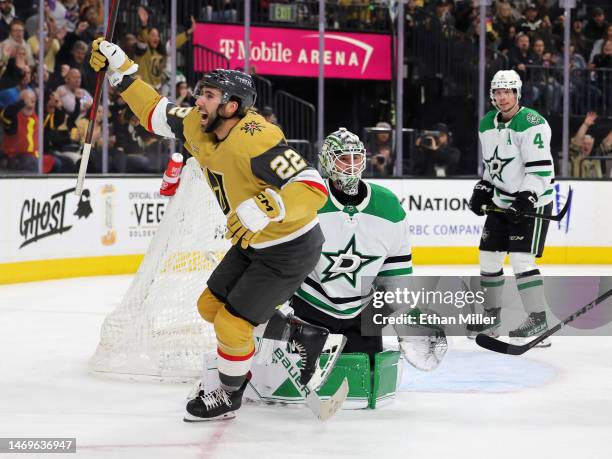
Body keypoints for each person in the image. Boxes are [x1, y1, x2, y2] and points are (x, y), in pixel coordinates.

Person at [89, 38, 340, 422]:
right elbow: (157, 113)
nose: (197, 100)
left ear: (232, 106)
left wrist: (270, 206)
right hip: (253, 242)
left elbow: (312, 186)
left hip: (290, 246)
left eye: (207, 95)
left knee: (231, 323)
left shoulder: (259, 140)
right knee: (209, 307)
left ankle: (228, 395)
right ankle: (295, 334)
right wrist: (123, 74)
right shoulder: (198, 123)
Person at [467, 70, 555, 347]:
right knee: (488, 259)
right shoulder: (486, 124)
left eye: (508, 91)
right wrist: (483, 188)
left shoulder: (531, 123)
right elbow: (492, 167)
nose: (503, 97)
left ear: (518, 93)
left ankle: (538, 319)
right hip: (502, 202)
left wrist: (526, 197)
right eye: (498, 92)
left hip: (534, 201)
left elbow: (541, 171)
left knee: (521, 260)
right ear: (492, 95)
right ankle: (491, 317)